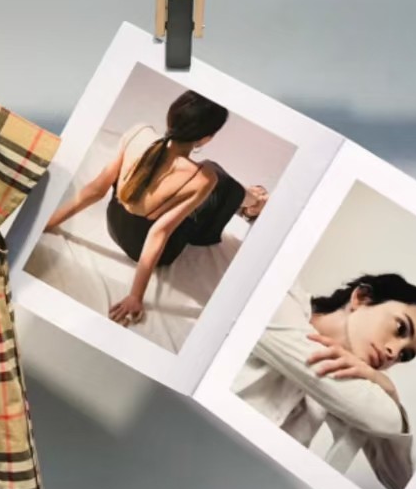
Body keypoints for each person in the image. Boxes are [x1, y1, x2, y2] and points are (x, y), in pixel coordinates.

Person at [43, 90, 267, 325]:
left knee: (212, 182)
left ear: (171, 115)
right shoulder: (203, 176)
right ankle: (254, 203)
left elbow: (95, 190)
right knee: (221, 178)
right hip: (153, 251)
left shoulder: (138, 133)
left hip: (114, 225)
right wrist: (135, 296)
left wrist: (49, 222)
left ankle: (251, 201)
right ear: (207, 138)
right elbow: (158, 233)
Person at [234, 273, 416, 489]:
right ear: (361, 297)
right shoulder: (284, 301)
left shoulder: (356, 386)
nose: (393, 352)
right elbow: (387, 419)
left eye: (404, 355)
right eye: (400, 328)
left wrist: (390, 392)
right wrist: (387, 405)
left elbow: (402, 484)